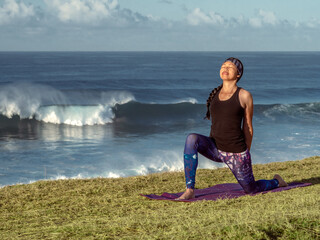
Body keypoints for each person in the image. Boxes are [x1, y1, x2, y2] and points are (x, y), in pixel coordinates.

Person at [177, 57, 288, 200]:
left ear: (238, 74)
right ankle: (189, 190)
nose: (225, 68)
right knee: (192, 138)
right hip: (215, 148)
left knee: (251, 190)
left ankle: (277, 181)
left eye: (230, 67)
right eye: (223, 66)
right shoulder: (215, 94)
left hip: (236, 153)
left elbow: (248, 126)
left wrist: (246, 153)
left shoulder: (244, 95)